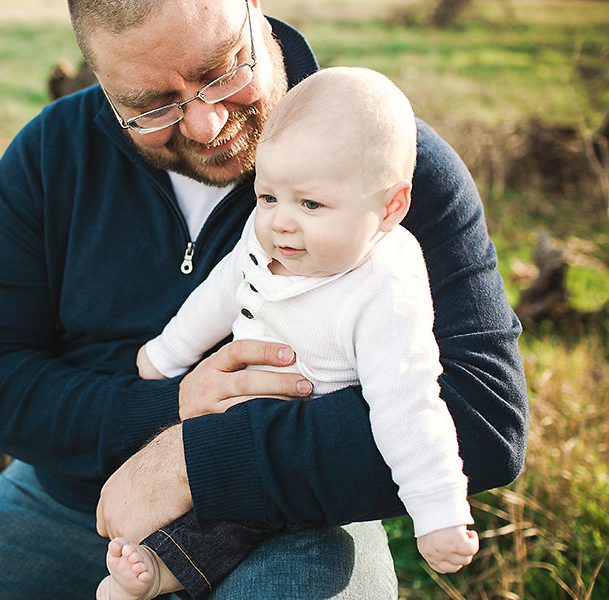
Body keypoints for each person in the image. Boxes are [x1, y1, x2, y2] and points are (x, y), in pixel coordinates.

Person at [0, 0, 528, 597]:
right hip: (73, 502)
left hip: (295, 514)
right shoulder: (51, 156)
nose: (206, 122)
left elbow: (486, 418)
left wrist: (197, 459)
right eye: (151, 105)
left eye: (220, 71)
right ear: (99, 81)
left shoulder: (384, 161)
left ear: (252, 10)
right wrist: (167, 408)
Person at [97, 66, 479, 600]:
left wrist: (438, 510)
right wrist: (166, 354)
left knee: (248, 517)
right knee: (199, 495)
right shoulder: (268, 241)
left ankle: (163, 571)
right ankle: (153, 562)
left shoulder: (384, 286)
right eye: (268, 196)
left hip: (302, 447)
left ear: (389, 208)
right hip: (236, 419)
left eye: (311, 204)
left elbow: (408, 401)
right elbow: (220, 291)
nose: (280, 222)